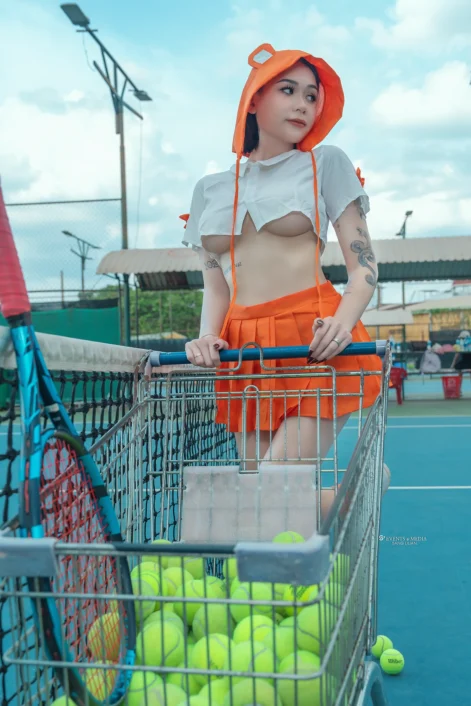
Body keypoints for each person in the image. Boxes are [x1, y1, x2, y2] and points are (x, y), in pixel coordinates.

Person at [180, 43, 390, 518]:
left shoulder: (325, 163)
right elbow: (216, 286)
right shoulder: (209, 189)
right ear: (254, 99)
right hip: (243, 353)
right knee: (266, 512)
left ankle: (341, 503)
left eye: (312, 96)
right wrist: (206, 336)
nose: (303, 105)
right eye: (289, 91)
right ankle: (346, 503)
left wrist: (341, 323)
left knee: (268, 493)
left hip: (315, 340)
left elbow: (364, 268)